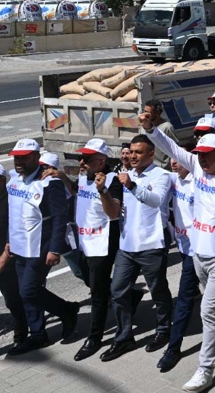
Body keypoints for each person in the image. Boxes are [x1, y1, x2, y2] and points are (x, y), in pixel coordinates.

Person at [143, 113, 215, 390]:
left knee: (208, 309)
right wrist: (150, 128)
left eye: (207, 155)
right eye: (199, 155)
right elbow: (171, 148)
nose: (202, 159)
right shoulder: (196, 166)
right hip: (199, 250)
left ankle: (204, 370)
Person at [100, 134, 173, 362]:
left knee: (158, 290)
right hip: (127, 245)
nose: (132, 156)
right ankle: (124, 337)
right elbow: (113, 213)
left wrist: (131, 186)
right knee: (117, 291)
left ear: (151, 153)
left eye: (138, 152)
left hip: (152, 244)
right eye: (131, 152)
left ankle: (164, 329)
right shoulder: (123, 176)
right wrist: (103, 192)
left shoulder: (161, 176)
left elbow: (156, 200)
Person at [6, 139, 78, 356]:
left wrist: (55, 249)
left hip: (40, 245)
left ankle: (66, 310)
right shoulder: (15, 179)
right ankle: (38, 335)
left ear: (37, 157)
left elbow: (60, 217)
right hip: (18, 244)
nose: (19, 162)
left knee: (29, 290)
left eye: (24, 157)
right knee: (25, 292)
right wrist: (8, 242)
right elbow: (13, 213)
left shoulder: (49, 183)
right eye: (16, 158)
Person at [71, 139, 125, 362]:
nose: (82, 162)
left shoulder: (112, 181)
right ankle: (130, 296)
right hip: (84, 242)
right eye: (81, 157)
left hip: (102, 243)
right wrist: (61, 176)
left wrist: (102, 190)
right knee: (87, 278)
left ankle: (94, 337)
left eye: (87, 159)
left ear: (101, 162)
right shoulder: (84, 177)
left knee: (97, 293)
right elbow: (76, 191)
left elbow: (113, 213)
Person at [157, 141, 198, 372]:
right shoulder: (173, 180)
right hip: (182, 245)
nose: (174, 162)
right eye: (172, 158)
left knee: (184, 297)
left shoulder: (199, 182)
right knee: (205, 286)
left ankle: (173, 347)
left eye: (179, 158)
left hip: (198, 249)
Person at [0, 163, 29, 353]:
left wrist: (4, 257)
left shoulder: (11, 201)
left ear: (2, 180)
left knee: (13, 299)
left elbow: (15, 230)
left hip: (7, 258)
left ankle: (21, 336)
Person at [143, 99, 179, 169]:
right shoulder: (144, 126)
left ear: (157, 112)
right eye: (144, 111)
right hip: (148, 167)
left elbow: (175, 149)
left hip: (163, 168)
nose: (145, 114)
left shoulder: (167, 127)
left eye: (148, 112)